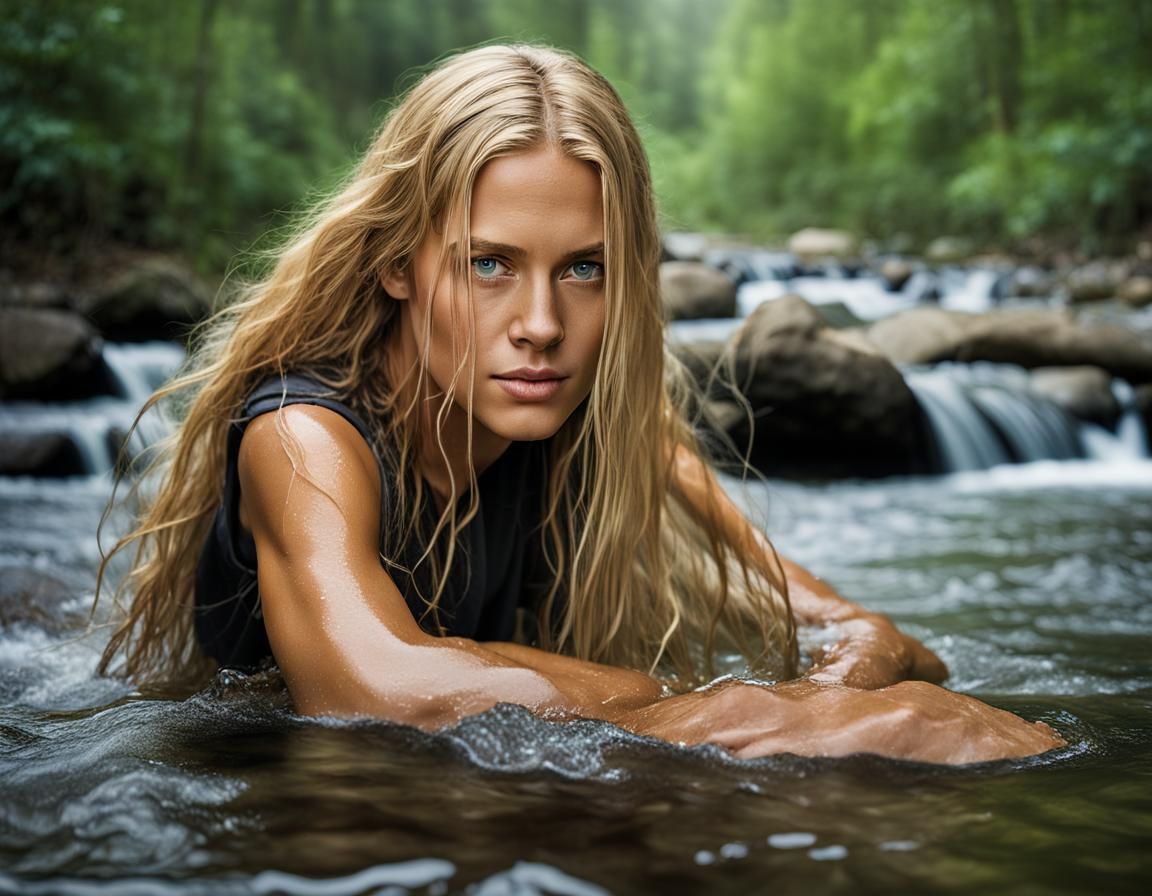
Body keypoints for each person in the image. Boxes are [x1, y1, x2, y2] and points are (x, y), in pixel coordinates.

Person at [95, 44, 1063, 765]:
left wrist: (854, 653)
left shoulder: (599, 418)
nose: (543, 323)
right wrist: (754, 715)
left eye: (584, 269)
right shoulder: (301, 439)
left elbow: (826, 614)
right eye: (490, 264)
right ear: (396, 259)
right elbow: (372, 685)